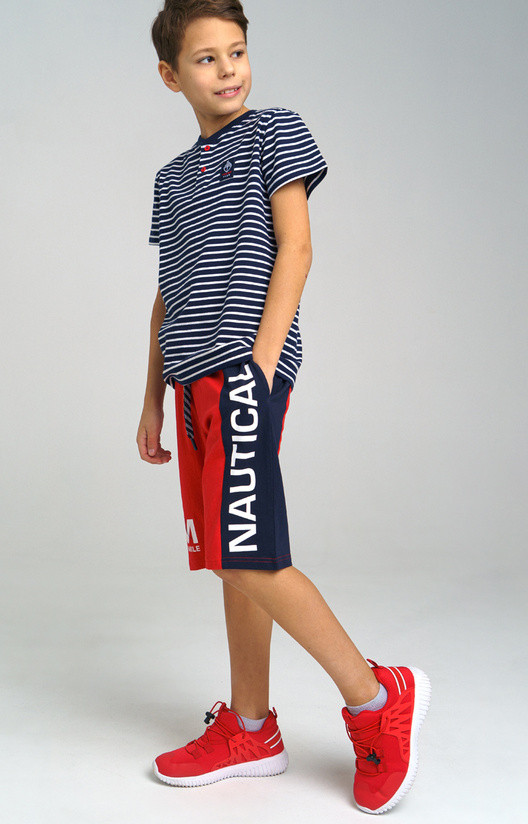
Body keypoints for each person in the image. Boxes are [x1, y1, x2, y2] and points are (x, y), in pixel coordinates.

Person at [137, 1, 430, 814]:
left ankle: (378, 697)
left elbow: (296, 248)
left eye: (236, 52)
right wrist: (151, 399)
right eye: (206, 58)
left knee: (248, 554)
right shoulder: (169, 181)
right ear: (170, 75)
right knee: (231, 556)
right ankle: (251, 728)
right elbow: (166, 295)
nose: (228, 69)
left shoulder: (275, 132)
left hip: (244, 369)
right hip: (189, 382)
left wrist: (261, 370)